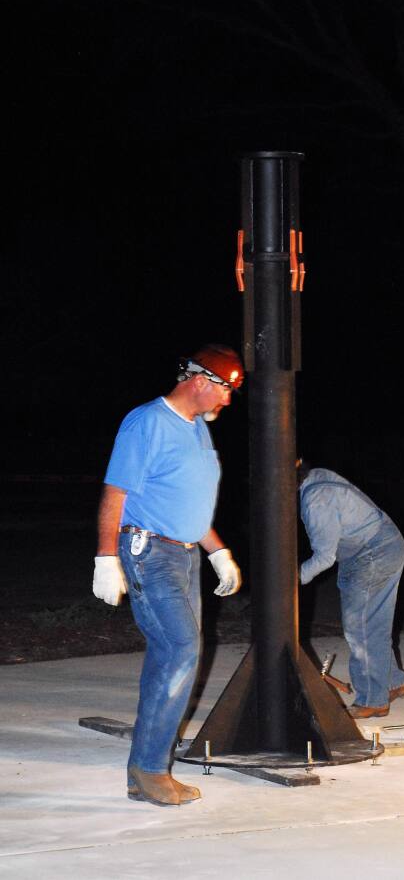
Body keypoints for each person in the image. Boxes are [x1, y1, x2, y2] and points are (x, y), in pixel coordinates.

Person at [92, 344, 244, 806]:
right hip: (148, 551)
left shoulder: (197, 429)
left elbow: (187, 500)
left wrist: (218, 551)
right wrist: (105, 557)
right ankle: (150, 769)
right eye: (225, 389)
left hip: (184, 554)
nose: (227, 401)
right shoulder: (147, 423)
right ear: (200, 381)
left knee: (173, 655)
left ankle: (147, 767)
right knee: (180, 648)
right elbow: (115, 493)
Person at [298, 462, 404, 719]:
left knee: (361, 628)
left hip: (372, 553)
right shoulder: (316, 477)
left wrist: (291, 580)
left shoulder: (316, 500)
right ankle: (394, 682)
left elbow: (324, 557)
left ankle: (373, 699)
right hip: (383, 543)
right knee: (372, 625)